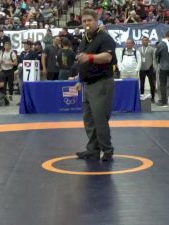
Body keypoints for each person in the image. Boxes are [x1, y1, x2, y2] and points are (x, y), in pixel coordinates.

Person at [75, 9, 116, 161]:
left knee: (100, 118)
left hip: (101, 83)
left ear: (97, 20)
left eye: (89, 20)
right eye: (84, 21)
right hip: (87, 84)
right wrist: (80, 80)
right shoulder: (85, 38)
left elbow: (107, 57)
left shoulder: (104, 37)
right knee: (89, 119)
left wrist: (90, 57)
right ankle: (93, 149)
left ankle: (107, 149)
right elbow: (81, 60)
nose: (86, 23)